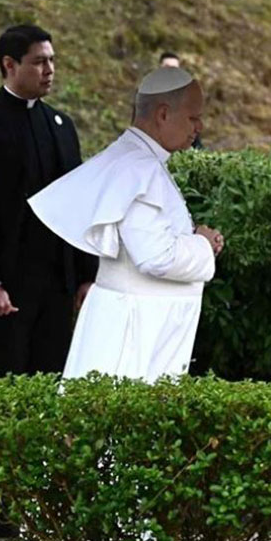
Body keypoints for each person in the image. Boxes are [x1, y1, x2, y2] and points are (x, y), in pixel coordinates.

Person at [28, 67, 223, 382]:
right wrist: (203, 244)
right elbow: (155, 257)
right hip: (135, 328)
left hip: (136, 319)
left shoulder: (135, 160)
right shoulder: (137, 168)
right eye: (193, 117)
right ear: (162, 114)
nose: (199, 127)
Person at [0, 24, 98, 380]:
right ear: (9, 64)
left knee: (53, 375)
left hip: (57, 280)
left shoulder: (61, 125)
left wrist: (85, 275)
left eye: (52, 61)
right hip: (12, 282)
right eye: (38, 62)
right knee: (9, 376)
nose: (49, 70)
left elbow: (78, 202)